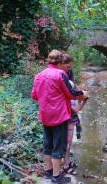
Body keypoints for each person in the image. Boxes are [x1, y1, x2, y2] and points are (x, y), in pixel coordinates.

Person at [31, 50, 87, 184]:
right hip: (59, 116)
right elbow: (71, 93)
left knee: (47, 145)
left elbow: (34, 95)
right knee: (58, 146)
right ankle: (56, 177)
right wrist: (83, 94)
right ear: (60, 61)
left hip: (45, 116)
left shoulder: (39, 75)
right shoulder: (60, 74)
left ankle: (48, 172)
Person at [59, 53, 88, 175]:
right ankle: (65, 165)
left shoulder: (57, 79)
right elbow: (75, 109)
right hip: (68, 117)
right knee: (67, 142)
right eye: (69, 65)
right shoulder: (69, 84)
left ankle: (66, 162)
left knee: (61, 142)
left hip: (58, 115)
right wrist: (84, 102)